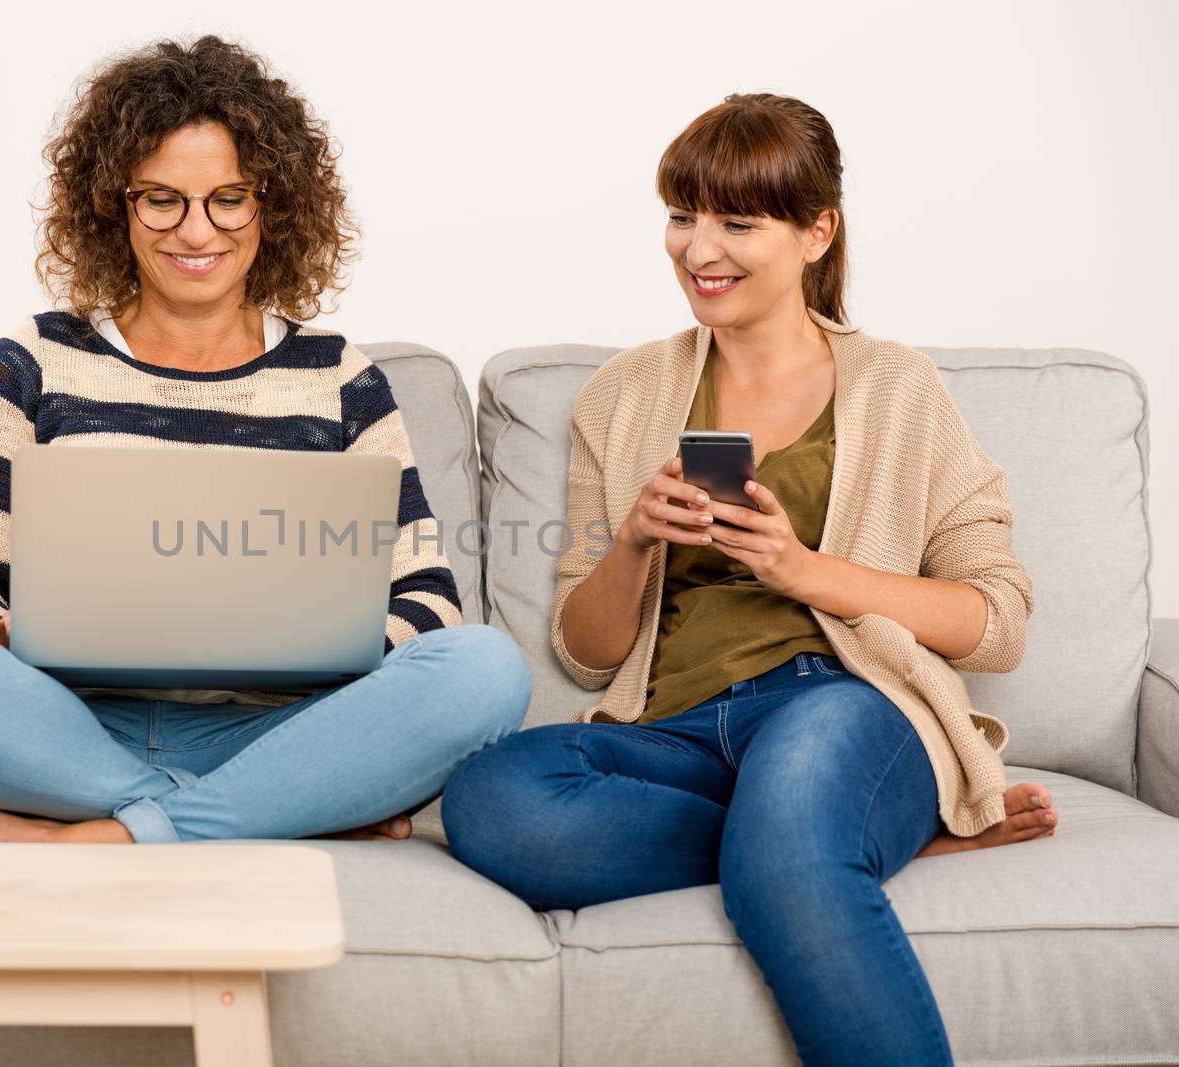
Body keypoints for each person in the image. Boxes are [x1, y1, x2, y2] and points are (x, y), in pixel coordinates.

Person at [440, 93, 1056, 1066]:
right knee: (491, 796)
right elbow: (583, 645)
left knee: (791, 833)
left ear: (816, 232)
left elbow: (997, 620)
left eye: (735, 219)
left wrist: (803, 568)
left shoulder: (897, 386)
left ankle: (818, 838)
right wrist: (636, 540)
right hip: (679, 729)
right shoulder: (628, 391)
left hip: (842, 706)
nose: (697, 247)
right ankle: (854, 842)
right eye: (682, 215)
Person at [0, 36, 530, 846]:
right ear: (113, 205)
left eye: (228, 197)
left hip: (274, 734)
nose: (197, 231)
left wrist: (319, 646)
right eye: (163, 199)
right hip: (63, 725)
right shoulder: (36, 357)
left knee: (486, 670)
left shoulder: (340, 375)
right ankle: (249, 812)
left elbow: (430, 602)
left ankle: (108, 830)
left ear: (273, 204)